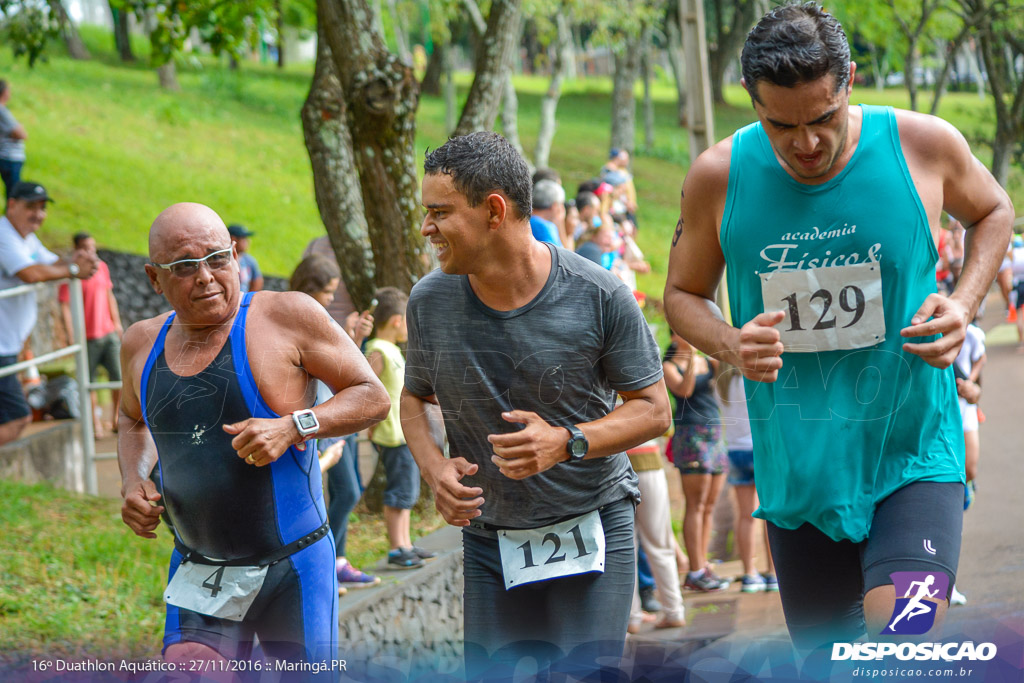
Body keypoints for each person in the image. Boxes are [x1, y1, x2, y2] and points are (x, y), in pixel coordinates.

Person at [663, 3, 1013, 651]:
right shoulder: (719, 175)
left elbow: (994, 210)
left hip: (913, 453)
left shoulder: (923, 144)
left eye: (823, 117)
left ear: (850, 79)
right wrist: (729, 342)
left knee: (903, 639)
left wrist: (964, 303)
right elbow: (682, 294)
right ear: (751, 99)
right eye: (781, 125)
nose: (806, 143)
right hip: (799, 475)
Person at [400, 132, 671, 679]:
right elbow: (413, 396)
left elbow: (653, 409)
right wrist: (435, 469)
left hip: (592, 526)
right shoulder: (429, 300)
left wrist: (565, 442)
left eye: (439, 212)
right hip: (488, 537)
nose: (426, 228)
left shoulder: (600, 294)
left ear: (494, 210)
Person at [117, 203, 389, 672]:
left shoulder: (286, 316)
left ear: (237, 258)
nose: (205, 276)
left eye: (218, 258)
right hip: (200, 568)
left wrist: (294, 426)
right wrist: (132, 478)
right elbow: (131, 420)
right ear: (154, 278)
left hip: (293, 566)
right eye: (184, 266)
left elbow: (372, 395)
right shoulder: (141, 344)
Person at [289, 254, 380, 591]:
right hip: (319, 420)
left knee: (346, 491)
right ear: (311, 287)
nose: (331, 298)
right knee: (343, 492)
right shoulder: (298, 318)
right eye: (328, 291)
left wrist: (354, 339)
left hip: (334, 414)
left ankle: (335, 562)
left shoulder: (317, 318)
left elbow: (334, 369)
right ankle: (328, 564)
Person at [1, 182, 97, 446]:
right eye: (31, 206)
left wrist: (76, 258)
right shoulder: (3, 234)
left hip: (9, 345)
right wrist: (75, 270)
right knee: (16, 417)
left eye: (42, 208)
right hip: (2, 347)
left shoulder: (24, 237)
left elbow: (51, 263)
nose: (38, 214)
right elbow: (30, 273)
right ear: (12, 204)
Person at [364, 286, 436, 570]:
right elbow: (366, 385)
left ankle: (405, 543)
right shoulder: (377, 350)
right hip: (392, 435)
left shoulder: (391, 349)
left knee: (408, 489)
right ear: (396, 320)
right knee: (399, 491)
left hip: (403, 433)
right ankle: (396, 548)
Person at [664, 332, 729, 593]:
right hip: (690, 435)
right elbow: (685, 389)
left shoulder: (706, 360)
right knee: (696, 504)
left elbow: (726, 373)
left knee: (710, 504)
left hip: (713, 432)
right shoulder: (669, 366)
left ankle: (703, 566)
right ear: (674, 336)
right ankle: (694, 570)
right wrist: (690, 356)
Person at [715, 362, 777, 593]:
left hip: (735, 451)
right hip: (759, 450)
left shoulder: (720, 383)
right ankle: (772, 572)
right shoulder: (751, 379)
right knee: (769, 513)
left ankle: (749, 573)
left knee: (745, 516)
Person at [58, 232, 124, 437]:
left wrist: (117, 323)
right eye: (86, 247)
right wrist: (71, 334)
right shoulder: (72, 272)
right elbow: (65, 305)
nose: (90, 252)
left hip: (108, 332)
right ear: (77, 249)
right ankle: (94, 423)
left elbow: (109, 295)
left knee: (119, 378)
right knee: (90, 383)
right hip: (86, 337)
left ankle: (116, 420)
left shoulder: (101, 267)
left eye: (92, 247)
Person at [0, 80, 27, 200]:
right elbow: (22, 134)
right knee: (13, 196)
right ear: (5, 92)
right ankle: (10, 218)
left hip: (7, 157)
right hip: (10, 158)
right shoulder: (2, 111)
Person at [529, 179, 565, 247]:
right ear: (555, 206)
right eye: (561, 205)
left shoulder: (524, 219)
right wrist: (560, 223)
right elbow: (562, 256)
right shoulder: (547, 227)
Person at [227, 223, 263, 293]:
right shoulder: (222, 260)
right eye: (243, 238)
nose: (248, 241)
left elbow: (258, 281)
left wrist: (247, 299)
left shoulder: (249, 261)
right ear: (233, 239)